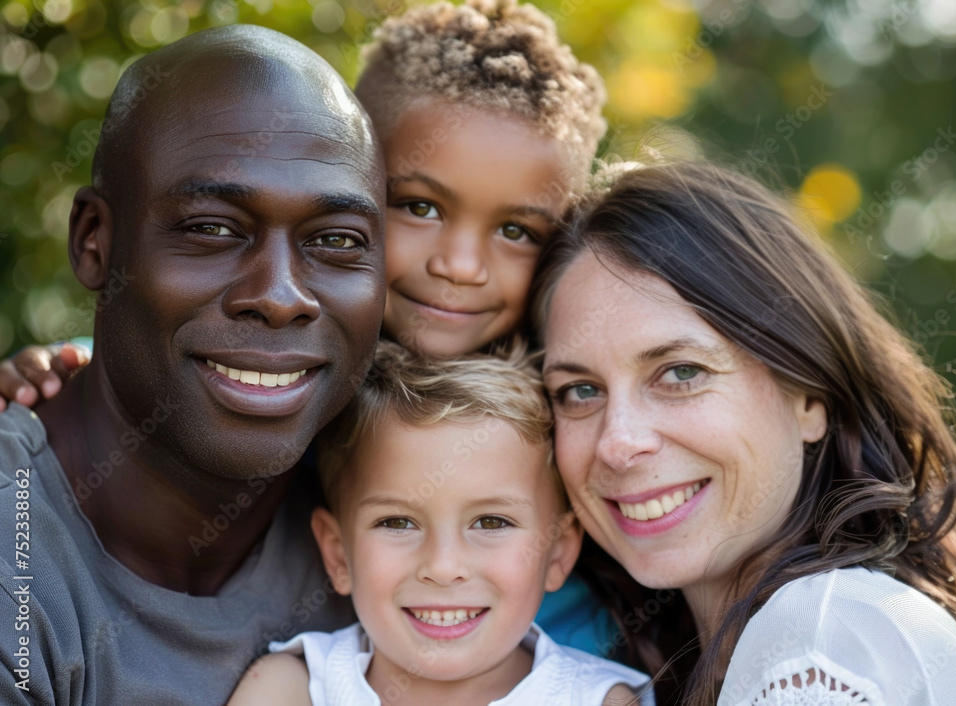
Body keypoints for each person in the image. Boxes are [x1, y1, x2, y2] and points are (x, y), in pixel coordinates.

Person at [0, 0, 615, 656]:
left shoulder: (560, 419)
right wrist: (64, 364)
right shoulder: (280, 380)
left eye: (516, 231)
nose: (460, 267)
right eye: (420, 207)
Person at [0, 24, 386, 704]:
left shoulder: (396, 493)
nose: (279, 296)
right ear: (95, 242)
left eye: (334, 240)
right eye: (212, 228)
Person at [531, 161, 956, 705]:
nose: (617, 442)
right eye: (579, 392)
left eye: (682, 373)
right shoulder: (725, 656)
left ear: (809, 396)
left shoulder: (822, 644)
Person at [227, 341, 654, 705]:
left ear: (557, 551)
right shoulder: (294, 688)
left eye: (491, 522)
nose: (444, 566)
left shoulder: (598, 700)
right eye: (397, 522)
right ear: (339, 553)